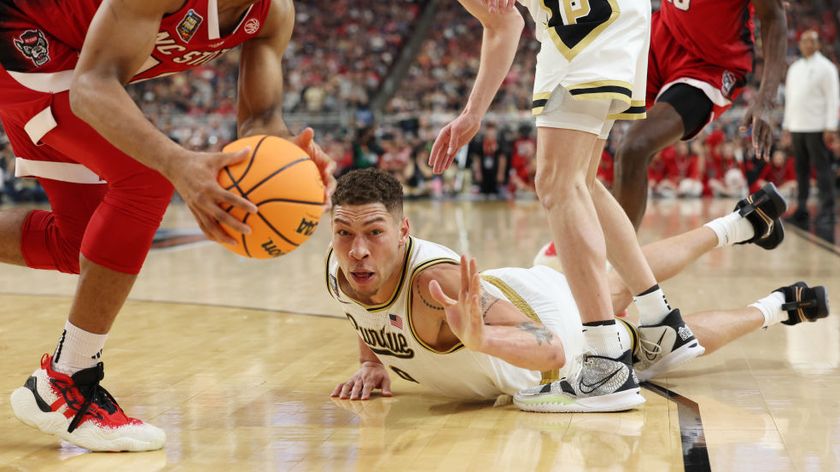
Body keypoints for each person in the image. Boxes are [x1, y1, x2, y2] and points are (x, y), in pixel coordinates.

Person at [1, 0, 335, 452]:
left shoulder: (274, 14)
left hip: (69, 62)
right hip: (22, 39)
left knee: (76, 244)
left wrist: (290, 160)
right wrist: (177, 163)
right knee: (150, 175)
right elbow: (92, 87)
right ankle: (66, 380)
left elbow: (259, 121)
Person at [326, 169, 829, 407]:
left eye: (374, 232)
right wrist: (372, 362)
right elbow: (365, 310)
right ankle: (739, 224)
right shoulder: (342, 268)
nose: (358, 251)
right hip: (517, 290)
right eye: (345, 233)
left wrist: (483, 340)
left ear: (404, 231)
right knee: (615, 284)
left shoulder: (433, 283)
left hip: (544, 334)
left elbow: (551, 349)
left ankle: (779, 306)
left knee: (657, 348)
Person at [427, 0, 704, 413]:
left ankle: (605, 362)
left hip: (585, 23)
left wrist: (473, 112)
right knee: (581, 181)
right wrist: (473, 114)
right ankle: (660, 321)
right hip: (613, 17)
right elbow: (504, 22)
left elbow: (502, 21)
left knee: (558, 183)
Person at [611, 0, 787, 228]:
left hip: (711, 64)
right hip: (663, 35)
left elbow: (774, 17)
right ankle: (578, 224)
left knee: (633, 148)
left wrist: (766, 98)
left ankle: (615, 259)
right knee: (587, 119)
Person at [783, 30, 839, 226]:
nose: (807, 44)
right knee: (801, 170)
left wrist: (831, 126)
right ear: (799, 44)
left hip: (817, 126)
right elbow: (790, 99)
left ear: (818, 44)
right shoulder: (794, 68)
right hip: (798, 125)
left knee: (822, 169)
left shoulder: (827, 68)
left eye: (811, 41)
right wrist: (787, 126)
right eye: (804, 41)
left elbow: (833, 98)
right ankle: (801, 208)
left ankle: (828, 210)